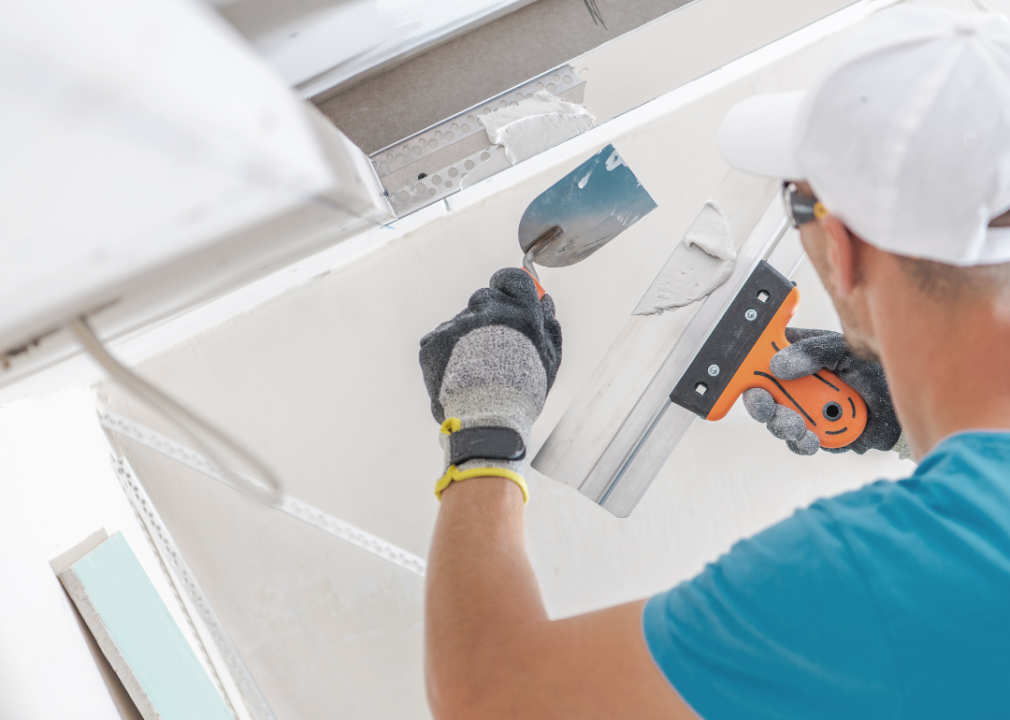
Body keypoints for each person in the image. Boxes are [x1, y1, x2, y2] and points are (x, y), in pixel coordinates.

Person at [417, 6, 1010, 719]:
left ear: (843, 250)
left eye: (800, 201)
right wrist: (908, 425)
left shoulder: (894, 570)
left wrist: (484, 434)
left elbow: (496, 697)